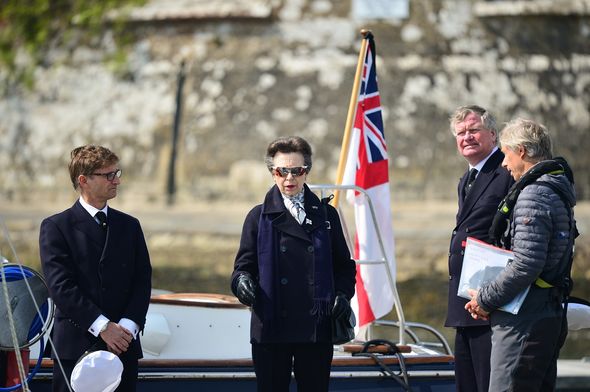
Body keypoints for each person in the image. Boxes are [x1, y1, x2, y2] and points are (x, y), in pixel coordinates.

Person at [231, 136, 356, 392]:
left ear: (306, 172)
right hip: (271, 326)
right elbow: (242, 268)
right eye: (281, 171)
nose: (289, 178)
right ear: (272, 173)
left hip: (315, 328)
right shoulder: (257, 217)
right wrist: (242, 283)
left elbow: (344, 267)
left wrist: (342, 296)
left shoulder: (326, 215)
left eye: (296, 171)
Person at [466, 119, 576, 391]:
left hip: (525, 317)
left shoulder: (533, 195)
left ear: (522, 152)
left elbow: (527, 263)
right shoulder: (557, 189)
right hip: (547, 312)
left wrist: (486, 298)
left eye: (506, 154)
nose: (504, 163)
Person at [40, 145, 152, 392]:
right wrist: (103, 327)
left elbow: (142, 280)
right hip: (76, 346)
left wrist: (126, 328)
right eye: (108, 175)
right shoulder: (56, 227)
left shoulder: (130, 226)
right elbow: (61, 287)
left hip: (123, 346)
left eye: (117, 172)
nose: (117, 180)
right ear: (84, 180)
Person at [445, 105, 514, 392]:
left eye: (474, 130)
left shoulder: (506, 172)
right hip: (466, 301)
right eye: (461, 133)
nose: (467, 137)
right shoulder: (467, 178)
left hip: (490, 302)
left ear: (493, 134)